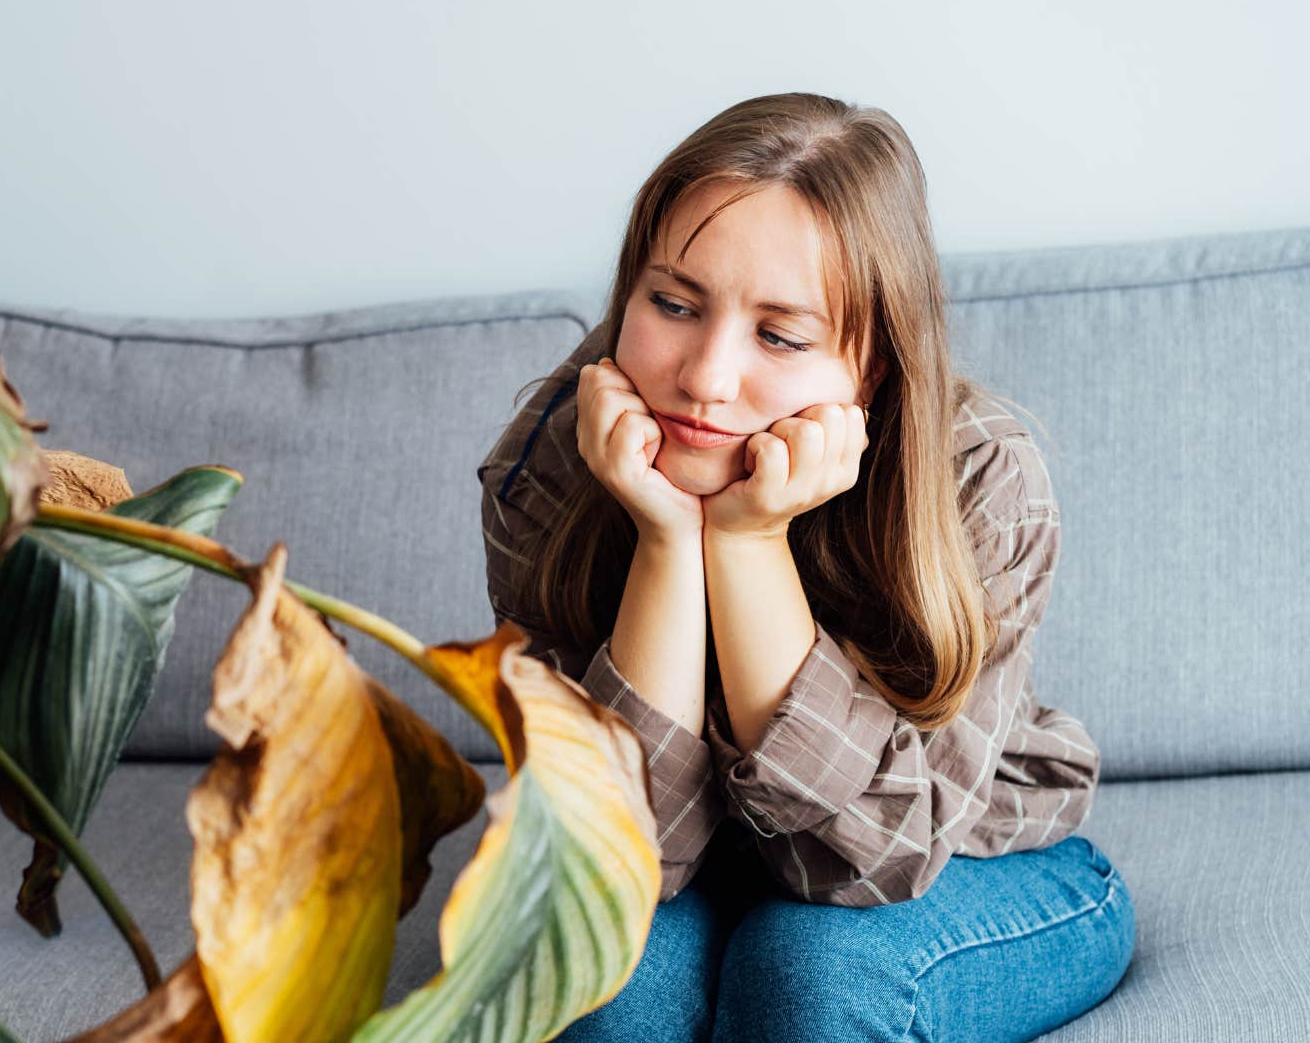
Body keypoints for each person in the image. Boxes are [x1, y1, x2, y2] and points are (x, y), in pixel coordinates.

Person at [476, 93, 1135, 1042]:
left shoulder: (979, 478)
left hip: (965, 856)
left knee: (810, 972)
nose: (703, 378)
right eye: (672, 304)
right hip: (702, 876)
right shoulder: (550, 458)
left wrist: (746, 544)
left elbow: (868, 861)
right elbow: (620, 862)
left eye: (780, 337)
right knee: (604, 982)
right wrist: (668, 536)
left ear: (871, 364)